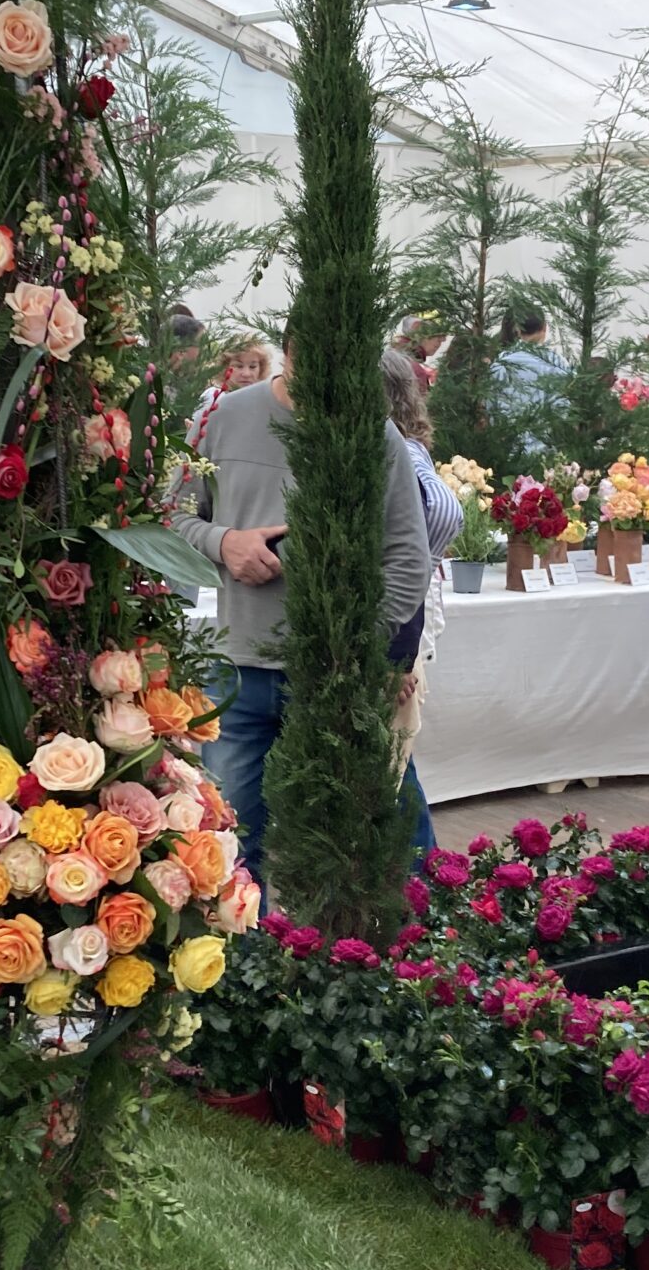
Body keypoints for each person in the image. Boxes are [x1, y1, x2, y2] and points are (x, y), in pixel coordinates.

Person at [171, 348, 433, 883]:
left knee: (378, 843)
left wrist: (358, 644)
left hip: (338, 675)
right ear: (289, 350)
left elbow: (410, 559)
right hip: (238, 674)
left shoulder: (374, 433)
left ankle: (428, 927)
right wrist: (225, 542)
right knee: (233, 850)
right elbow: (170, 516)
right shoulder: (220, 418)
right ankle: (252, 943)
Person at [382, 348, 461, 827]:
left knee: (391, 769)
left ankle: (423, 867)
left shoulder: (400, 455)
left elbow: (405, 562)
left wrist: (397, 657)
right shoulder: (408, 452)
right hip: (403, 623)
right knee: (396, 766)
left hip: (397, 627)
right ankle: (427, 867)